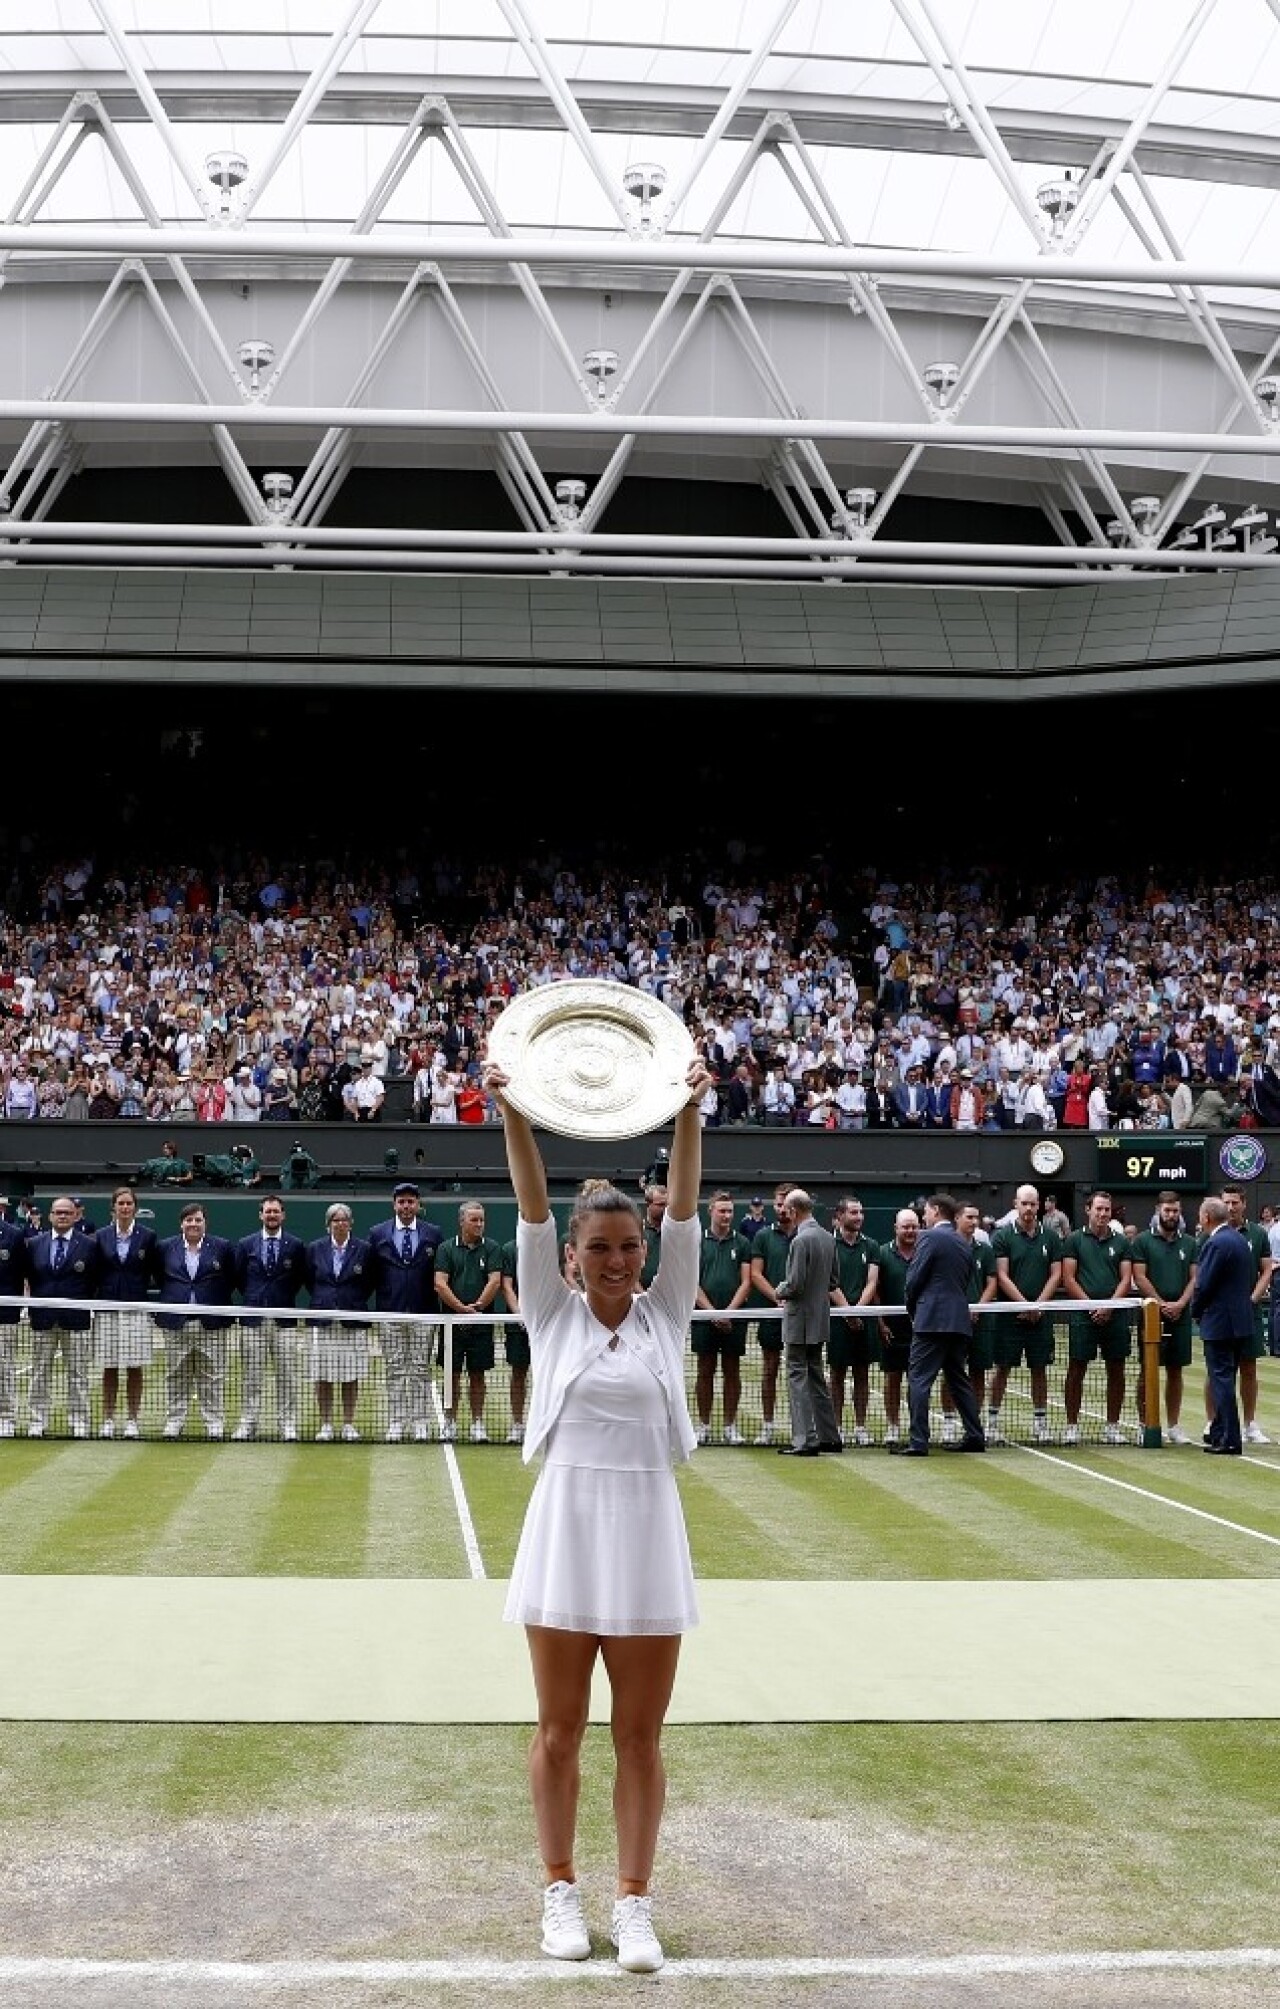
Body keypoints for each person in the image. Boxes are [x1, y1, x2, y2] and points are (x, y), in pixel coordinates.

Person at [484, 1050, 714, 1977]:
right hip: (566, 1526)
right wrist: (513, 1108)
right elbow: (532, 1205)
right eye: (600, 1248)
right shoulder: (551, 1308)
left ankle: (635, 1902)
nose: (618, 1260)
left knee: (641, 1735)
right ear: (573, 1258)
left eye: (629, 1246)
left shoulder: (665, 1312)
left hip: (649, 1530)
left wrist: (692, 1110)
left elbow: (688, 1209)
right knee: (559, 1728)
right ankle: (559, 1890)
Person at [893, 1191, 986, 1456]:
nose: (923, 1216)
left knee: (919, 1380)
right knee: (959, 1380)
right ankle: (975, 1435)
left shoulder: (930, 1237)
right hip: (957, 1321)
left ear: (935, 1211)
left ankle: (919, 1441)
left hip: (932, 1321)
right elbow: (964, 1281)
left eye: (926, 1212)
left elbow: (914, 1280)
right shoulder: (963, 1243)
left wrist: (914, 1310)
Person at [367, 1181, 443, 1443]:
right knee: (395, 1369)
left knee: (421, 1369)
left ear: (418, 1205)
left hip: (423, 1312)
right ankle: (397, 1421)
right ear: (394, 1204)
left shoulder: (433, 1232)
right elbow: (371, 1273)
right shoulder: (377, 1233)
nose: (406, 1206)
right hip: (390, 1312)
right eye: (402, 1201)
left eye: (411, 1201)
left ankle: (421, 1422)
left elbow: (439, 1273)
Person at [988, 1185, 1063, 1445]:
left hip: (1041, 1317)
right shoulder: (1003, 1236)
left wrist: (1038, 1306)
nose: (1029, 1209)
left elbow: (1056, 1274)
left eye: (1033, 1204)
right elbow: (1002, 1275)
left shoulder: (1051, 1238)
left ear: (1039, 1205)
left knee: (1039, 1369)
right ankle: (992, 1423)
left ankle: (1040, 1424)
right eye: (1024, 1204)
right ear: (1015, 1204)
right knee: (1002, 1368)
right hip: (1010, 1316)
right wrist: (1024, 1305)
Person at [155, 1203, 237, 1439]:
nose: (193, 1224)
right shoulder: (165, 1248)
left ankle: (214, 1423)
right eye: (189, 1220)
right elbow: (161, 1277)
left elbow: (229, 1279)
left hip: (210, 1323)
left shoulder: (221, 1247)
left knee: (212, 1375)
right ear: (182, 1223)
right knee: (175, 1375)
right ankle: (174, 1422)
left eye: (198, 1220)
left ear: (205, 1223)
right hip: (175, 1323)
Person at [1061, 1190, 1134, 1447]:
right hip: (1083, 1315)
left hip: (1116, 1315)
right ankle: (1071, 1426)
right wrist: (1092, 1306)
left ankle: (1112, 1427)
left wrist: (1110, 1306)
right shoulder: (1073, 1240)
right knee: (1076, 1368)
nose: (1103, 1214)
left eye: (1107, 1209)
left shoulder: (1122, 1242)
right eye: (1099, 1209)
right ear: (1088, 1210)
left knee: (1117, 1369)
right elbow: (1068, 1278)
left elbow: (1126, 1278)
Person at [26, 1194, 103, 1438]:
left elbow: (94, 1281)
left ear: (75, 1215)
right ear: (50, 1216)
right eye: (58, 1212)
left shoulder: (89, 1245)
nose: (62, 1216)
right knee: (39, 1372)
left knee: (78, 1372)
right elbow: (30, 1276)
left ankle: (79, 1420)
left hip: (76, 1319)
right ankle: (38, 1421)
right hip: (42, 1318)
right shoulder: (35, 1243)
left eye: (67, 1212)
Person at [232, 1196, 307, 1442]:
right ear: (261, 1215)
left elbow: (297, 1280)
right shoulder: (245, 1244)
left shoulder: (296, 1245)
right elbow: (241, 1280)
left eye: (276, 1211)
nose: (272, 1215)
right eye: (268, 1211)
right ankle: (248, 1423)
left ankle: (287, 1424)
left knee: (287, 1375)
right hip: (253, 1319)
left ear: (283, 1215)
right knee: (252, 1376)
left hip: (284, 1320)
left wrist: (278, 1300)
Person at [774, 1188, 842, 1456]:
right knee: (816, 1376)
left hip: (799, 1320)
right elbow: (834, 1282)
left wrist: (779, 1290)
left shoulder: (800, 1241)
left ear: (793, 1211)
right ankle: (830, 1437)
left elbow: (795, 1284)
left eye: (786, 1210)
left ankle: (805, 1440)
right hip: (819, 1319)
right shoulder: (828, 1238)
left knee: (797, 1376)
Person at [1130, 1190, 1198, 1446]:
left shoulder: (1190, 1243)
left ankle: (1174, 1426)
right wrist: (1159, 1304)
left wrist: (1180, 1303)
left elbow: (1195, 1277)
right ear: (1158, 1210)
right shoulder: (1142, 1242)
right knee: (1147, 1370)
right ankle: (1144, 1423)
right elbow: (1140, 1276)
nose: (1171, 1215)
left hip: (1180, 1314)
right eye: (1167, 1210)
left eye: (1176, 1211)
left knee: (1175, 1370)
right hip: (1150, 1315)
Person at [434, 1200, 504, 1442]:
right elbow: (440, 1284)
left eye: (482, 1220)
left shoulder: (492, 1248)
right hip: (451, 1323)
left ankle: (477, 1424)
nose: (479, 1224)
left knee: (477, 1375)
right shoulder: (445, 1249)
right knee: (451, 1376)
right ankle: (450, 1422)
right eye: (474, 1220)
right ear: (462, 1221)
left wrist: (476, 1310)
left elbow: (495, 1281)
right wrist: (461, 1310)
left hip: (481, 1324)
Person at [95, 1184, 161, 1439]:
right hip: (108, 1307)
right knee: (109, 1366)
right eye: (120, 1204)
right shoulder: (100, 1236)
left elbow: (154, 1272)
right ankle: (109, 1419)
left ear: (135, 1208)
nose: (125, 1208)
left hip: (136, 1307)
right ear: (113, 1207)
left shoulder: (148, 1236)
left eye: (129, 1204)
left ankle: (133, 1420)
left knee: (135, 1366)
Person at [1191, 1195, 1255, 1456]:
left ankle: (1230, 1438)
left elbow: (1204, 1284)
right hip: (1240, 1321)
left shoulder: (1215, 1243)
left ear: (1206, 1217)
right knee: (1226, 1378)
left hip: (1221, 1322)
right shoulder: (1239, 1240)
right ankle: (1219, 1433)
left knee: (1222, 1379)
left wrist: (1195, 1311)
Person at [305, 1202, 373, 1441]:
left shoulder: (364, 1249)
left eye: (344, 1220)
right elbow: (308, 1280)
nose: (340, 1224)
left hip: (352, 1319)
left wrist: (350, 1300)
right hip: (323, 1319)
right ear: (328, 1225)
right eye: (336, 1220)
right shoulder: (314, 1249)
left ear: (351, 1223)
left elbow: (370, 1281)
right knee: (322, 1375)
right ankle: (325, 1424)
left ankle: (348, 1424)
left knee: (350, 1374)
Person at [692, 1190, 752, 1445]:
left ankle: (730, 1425)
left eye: (729, 1211)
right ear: (711, 1212)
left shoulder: (742, 1243)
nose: (726, 1215)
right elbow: (691, 1282)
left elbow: (746, 1281)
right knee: (705, 1371)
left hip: (733, 1319)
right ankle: (703, 1425)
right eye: (722, 1211)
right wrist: (711, 1313)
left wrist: (728, 1312)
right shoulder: (697, 1241)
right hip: (703, 1318)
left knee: (732, 1371)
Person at [827, 1196, 880, 1446]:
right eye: (853, 1212)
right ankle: (835, 1427)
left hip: (863, 1319)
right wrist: (847, 1312)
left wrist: (858, 1310)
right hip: (836, 1320)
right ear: (840, 1216)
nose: (859, 1217)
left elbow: (872, 1281)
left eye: (861, 1212)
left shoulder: (870, 1245)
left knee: (862, 1374)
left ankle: (860, 1427)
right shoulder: (828, 1244)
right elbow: (828, 1282)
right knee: (836, 1375)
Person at [746, 1185, 794, 1445]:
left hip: (802, 1314)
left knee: (804, 1371)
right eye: (777, 1204)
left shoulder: (808, 1234)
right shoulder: (763, 1236)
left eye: (786, 1203)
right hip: (772, 1314)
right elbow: (755, 1274)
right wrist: (778, 1298)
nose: (781, 1208)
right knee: (770, 1370)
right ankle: (767, 1426)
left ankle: (804, 1426)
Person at [874, 1208, 920, 1447]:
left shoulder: (925, 1252)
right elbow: (876, 1291)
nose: (910, 1231)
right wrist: (881, 1322)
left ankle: (917, 1427)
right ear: (896, 1228)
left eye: (914, 1226)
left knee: (918, 1381)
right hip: (892, 1328)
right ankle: (893, 1427)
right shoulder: (882, 1253)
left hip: (920, 1328)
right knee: (892, 1379)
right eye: (906, 1227)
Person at [0, 1199, 29, 1437]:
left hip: (4, 1313)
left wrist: (15, 1306)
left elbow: (22, 1274)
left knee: (4, 1367)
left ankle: (6, 1417)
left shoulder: (14, 1236)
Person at [499, 1233, 531, 1444]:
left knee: (548, 1374)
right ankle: (517, 1424)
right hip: (518, 1323)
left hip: (546, 1322)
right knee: (518, 1372)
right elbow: (507, 1286)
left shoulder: (548, 1247)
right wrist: (520, 1314)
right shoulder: (510, 1249)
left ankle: (544, 1424)